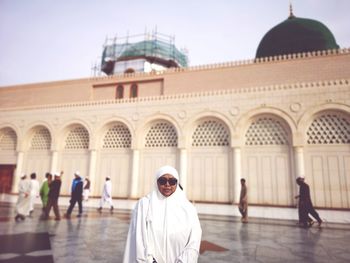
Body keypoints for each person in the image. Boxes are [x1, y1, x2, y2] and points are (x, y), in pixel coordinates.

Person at [123, 165, 202, 263]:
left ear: (177, 183)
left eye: (172, 181)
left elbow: (194, 241)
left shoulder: (189, 209)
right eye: (162, 181)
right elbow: (139, 239)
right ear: (156, 182)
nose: (167, 184)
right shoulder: (145, 205)